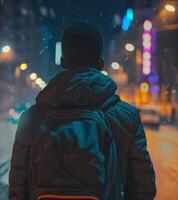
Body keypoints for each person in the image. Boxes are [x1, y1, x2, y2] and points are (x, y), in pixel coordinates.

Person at [9, 22, 156, 200]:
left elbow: (18, 188)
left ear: (62, 61)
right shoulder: (126, 116)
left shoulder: (31, 118)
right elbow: (143, 187)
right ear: (101, 63)